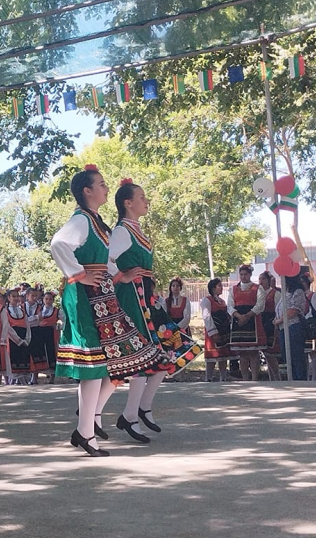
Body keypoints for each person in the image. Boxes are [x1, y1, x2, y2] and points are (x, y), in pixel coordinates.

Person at [51, 165, 162, 456]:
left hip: (100, 295)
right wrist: (78, 274)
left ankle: (86, 429)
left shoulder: (96, 222)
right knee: (92, 366)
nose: (105, 188)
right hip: (85, 295)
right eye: (100, 184)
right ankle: (87, 431)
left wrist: (117, 277)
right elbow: (59, 243)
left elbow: (109, 260)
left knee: (100, 366)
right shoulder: (82, 221)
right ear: (87, 191)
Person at [108, 180, 196, 442]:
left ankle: (141, 408)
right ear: (128, 203)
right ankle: (131, 415)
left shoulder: (136, 230)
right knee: (142, 355)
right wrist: (121, 276)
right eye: (142, 197)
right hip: (132, 297)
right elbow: (104, 259)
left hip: (147, 296)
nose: (146, 201)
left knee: (169, 349)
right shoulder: (122, 231)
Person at [226, 264, 267, 381]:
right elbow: (230, 305)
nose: (243, 277)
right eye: (241, 274)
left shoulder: (258, 288)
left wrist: (248, 315)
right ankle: (245, 379)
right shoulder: (233, 289)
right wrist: (238, 316)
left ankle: (254, 378)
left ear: (250, 275)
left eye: (246, 274)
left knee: (253, 352)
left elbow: (260, 305)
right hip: (238, 322)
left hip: (253, 321)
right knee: (242, 353)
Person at [275, 275, 309, 381]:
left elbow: (294, 310)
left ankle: (300, 380)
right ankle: (293, 378)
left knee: (296, 355)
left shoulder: (298, 292)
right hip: (282, 328)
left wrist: (279, 320)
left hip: (294, 327)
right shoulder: (285, 293)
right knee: (287, 356)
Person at [200, 278, 232, 382]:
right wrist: (213, 332)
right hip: (213, 332)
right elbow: (207, 316)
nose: (222, 288)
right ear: (213, 288)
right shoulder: (207, 300)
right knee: (212, 356)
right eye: (219, 286)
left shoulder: (222, 301)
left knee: (223, 355)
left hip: (224, 331)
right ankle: (208, 378)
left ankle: (223, 378)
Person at [3, 288, 33, 384]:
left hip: (23, 337)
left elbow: (27, 325)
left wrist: (27, 339)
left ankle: (23, 380)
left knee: (24, 359)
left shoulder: (22, 311)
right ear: (8, 298)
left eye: (17, 296)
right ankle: (13, 381)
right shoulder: (6, 311)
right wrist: (18, 340)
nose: (16, 298)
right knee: (13, 360)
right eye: (13, 296)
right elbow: (8, 327)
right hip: (13, 339)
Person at [35, 291, 63, 384]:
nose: (48, 301)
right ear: (43, 299)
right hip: (40, 334)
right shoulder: (38, 310)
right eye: (46, 299)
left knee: (52, 354)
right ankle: (35, 376)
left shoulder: (56, 311)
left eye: (50, 299)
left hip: (51, 334)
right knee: (39, 353)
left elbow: (65, 320)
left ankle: (52, 377)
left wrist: (59, 327)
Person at [258, 272, 282, 381]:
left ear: (268, 280)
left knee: (271, 353)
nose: (261, 281)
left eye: (263, 279)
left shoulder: (275, 294)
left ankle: (277, 377)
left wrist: (277, 325)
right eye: (259, 279)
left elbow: (279, 310)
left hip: (271, 324)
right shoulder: (258, 294)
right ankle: (271, 378)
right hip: (261, 324)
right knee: (265, 352)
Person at [301, 274, 316, 381]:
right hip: (301, 325)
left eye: (303, 282)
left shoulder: (314, 296)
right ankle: (305, 376)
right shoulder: (299, 296)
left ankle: (315, 377)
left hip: (310, 326)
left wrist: (304, 319)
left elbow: (314, 311)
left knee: (312, 352)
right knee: (303, 352)